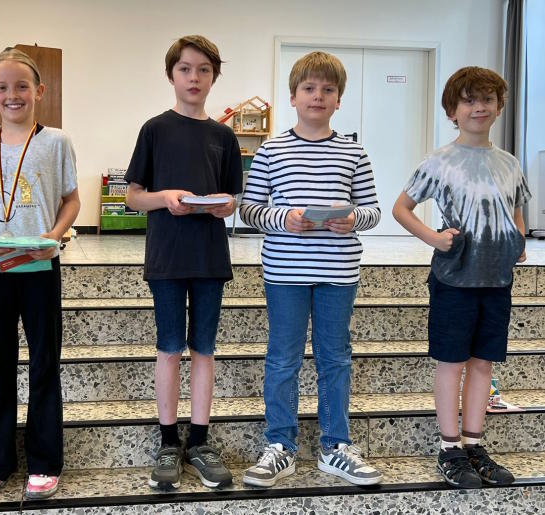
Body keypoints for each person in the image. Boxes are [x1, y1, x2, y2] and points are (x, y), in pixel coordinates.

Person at [239, 51, 382, 488]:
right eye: (309, 88)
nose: (318, 96)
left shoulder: (354, 152)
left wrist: (353, 219)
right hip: (285, 274)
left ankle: (335, 446)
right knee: (283, 358)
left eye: (327, 89)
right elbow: (249, 209)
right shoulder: (272, 150)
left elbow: (373, 210)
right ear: (293, 97)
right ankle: (280, 445)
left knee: (334, 358)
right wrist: (285, 218)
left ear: (338, 100)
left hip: (338, 272)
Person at [392, 66, 529, 489]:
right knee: (452, 363)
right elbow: (401, 208)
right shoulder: (439, 160)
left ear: (499, 107)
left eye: (487, 99)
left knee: (483, 363)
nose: (479, 107)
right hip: (454, 280)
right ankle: (449, 448)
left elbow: (517, 211)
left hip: (497, 280)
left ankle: (474, 444)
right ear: (452, 111)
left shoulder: (509, 163)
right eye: (469, 101)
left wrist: (518, 240)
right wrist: (434, 238)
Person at [0, 47, 80, 500]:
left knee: (45, 362)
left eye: (22, 86)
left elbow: (72, 200)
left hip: (40, 266)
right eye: (3, 87)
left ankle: (45, 461)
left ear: (39, 91)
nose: (13, 95)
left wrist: (55, 235)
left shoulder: (57, 142)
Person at [125, 35, 242, 491]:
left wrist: (226, 205)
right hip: (168, 257)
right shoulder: (155, 129)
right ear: (171, 75)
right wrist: (165, 197)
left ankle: (200, 441)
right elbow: (134, 197)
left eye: (204, 70)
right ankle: (168, 442)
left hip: (210, 256)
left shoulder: (223, 136)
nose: (194, 78)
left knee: (204, 349)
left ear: (214, 77)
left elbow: (233, 195)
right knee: (170, 347)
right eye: (185, 69)